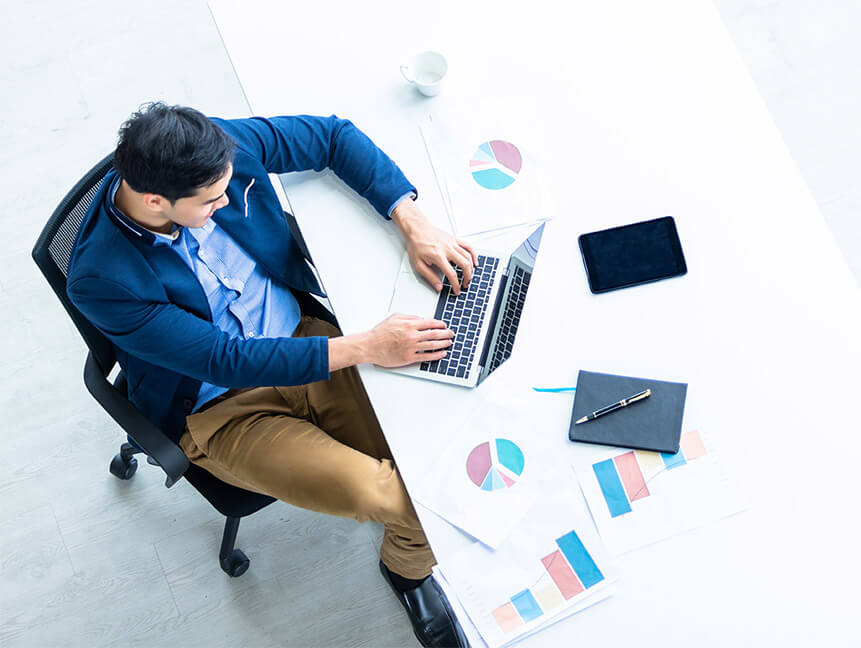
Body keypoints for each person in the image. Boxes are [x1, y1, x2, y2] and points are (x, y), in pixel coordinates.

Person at [66, 102, 476, 648]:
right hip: (222, 409)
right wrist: (367, 346)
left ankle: (408, 555)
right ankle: (410, 574)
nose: (227, 200)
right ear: (155, 201)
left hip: (304, 337)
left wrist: (412, 222)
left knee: (428, 458)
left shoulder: (217, 153)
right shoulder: (100, 278)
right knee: (407, 502)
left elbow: (332, 137)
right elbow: (225, 359)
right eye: (211, 202)